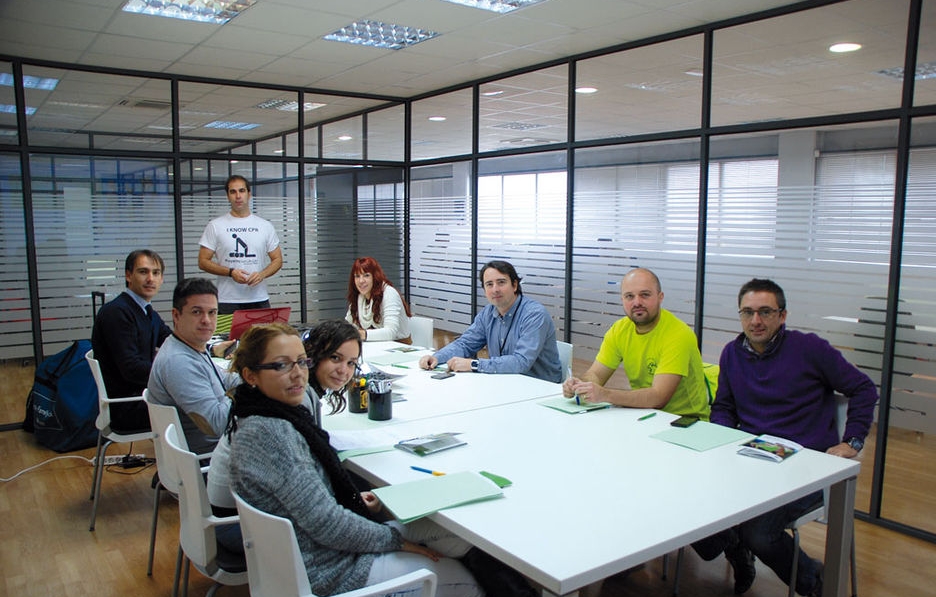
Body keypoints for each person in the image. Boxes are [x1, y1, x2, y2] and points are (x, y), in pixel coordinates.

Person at [225, 322, 484, 597]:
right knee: (470, 582)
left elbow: (307, 500)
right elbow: (327, 524)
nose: (298, 374)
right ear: (250, 375)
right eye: (281, 365)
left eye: (301, 362)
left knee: (457, 537)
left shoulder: (264, 416)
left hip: (312, 552)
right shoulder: (272, 434)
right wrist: (396, 542)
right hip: (330, 568)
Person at [693, 278, 877, 596]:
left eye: (765, 312)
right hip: (751, 461)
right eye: (747, 312)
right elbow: (724, 407)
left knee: (760, 534)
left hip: (806, 468)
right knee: (688, 499)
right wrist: (722, 439)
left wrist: (853, 442)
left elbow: (864, 388)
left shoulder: (810, 349)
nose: (756, 320)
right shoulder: (732, 353)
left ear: (782, 315)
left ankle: (814, 582)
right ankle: (735, 545)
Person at [562, 268, 709, 419]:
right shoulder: (619, 330)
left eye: (645, 295)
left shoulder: (678, 334)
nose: (637, 302)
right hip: (643, 413)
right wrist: (580, 385)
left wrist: (605, 394)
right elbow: (596, 374)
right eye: (629, 296)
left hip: (685, 420)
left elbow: (658, 397)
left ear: (660, 297)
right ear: (622, 300)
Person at [418, 260, 561, 383]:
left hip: (540, 388)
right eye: (489, 284)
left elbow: (521, 362)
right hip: (504, 383)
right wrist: (437, 357)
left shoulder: (534, 314)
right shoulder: (488, 313)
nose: (495, 289)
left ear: (515, 285)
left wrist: (474, 365)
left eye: (501, 282)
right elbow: (465, 344)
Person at [147, 278, 239, 455]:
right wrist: (248, 390)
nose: (206, 320)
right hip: (211, 458)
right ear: (176, 315)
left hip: (221, 447)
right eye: (197, 312)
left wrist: (258, 376)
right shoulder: (178, 362)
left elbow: (224, 379)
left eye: (212, 312)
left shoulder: (191, 347)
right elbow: (217, 425)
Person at [91, 249, 172, 431]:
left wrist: (210, 349)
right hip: (127, 406)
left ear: (161, 279)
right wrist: (175, 373)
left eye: (156, 273)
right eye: (143, 272)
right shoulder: (117, 313)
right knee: (197, 406)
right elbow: (132, 369)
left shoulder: (145, 310)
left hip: (143, 396)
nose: (150, 279)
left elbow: (171, 341)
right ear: (128, 276)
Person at [197, 174, 283, 315]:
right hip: (227, 301)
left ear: (249, 194)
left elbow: (277, 259)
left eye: (242, 191)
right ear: (227, 196)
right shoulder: (215, 226)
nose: (238, 196)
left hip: (259, 299)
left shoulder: (265, 226)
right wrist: (231, 273)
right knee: (226, 331)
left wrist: (262, 274)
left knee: (263, 331)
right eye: (233, 192)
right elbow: (203, 261)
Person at [345, 257, 412, 343]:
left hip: (398, 344)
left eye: (366, 275)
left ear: (375, 276)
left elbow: (390, 332)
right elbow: (348, 325)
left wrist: (361, 334)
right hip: (374, 345)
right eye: (357, 276)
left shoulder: (389, 293)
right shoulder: (359, 296)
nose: (361, 281)